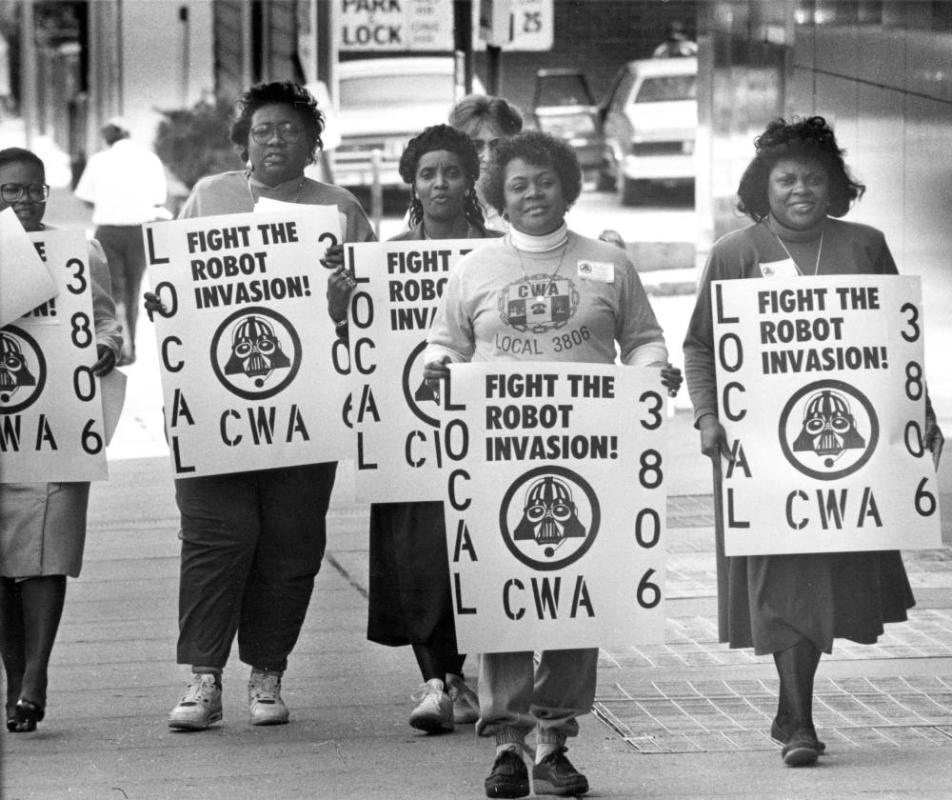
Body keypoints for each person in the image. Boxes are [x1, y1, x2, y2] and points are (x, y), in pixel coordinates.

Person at [423, 131, 681, 798]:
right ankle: (507, 742)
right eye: (518, 185)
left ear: (566, 185)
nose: (533, 193)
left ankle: (554, 742)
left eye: (544, 181)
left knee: (576, 595)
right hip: (495, 459)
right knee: (506, 595)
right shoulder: (475, 266)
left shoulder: (609, 263)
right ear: (498, 198)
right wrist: (435, 374)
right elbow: (443, 343)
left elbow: (644, 339)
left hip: (590, 455)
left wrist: (655, 376)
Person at [682, 115, 944, 767]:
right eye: (787, 179)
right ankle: (800, 719)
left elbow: (896, 342)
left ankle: (792, 702)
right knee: (781, 581)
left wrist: (923, 414)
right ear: (762, 187)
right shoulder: (735, 252)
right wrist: (707, 417)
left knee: (825, 580)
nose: (801, 189)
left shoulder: (865, 245)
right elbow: (699, 344)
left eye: (814, 179)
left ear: (836, 187)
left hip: (846, 456)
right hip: (759, 452)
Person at [146, 81, 375, 732]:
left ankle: (268, 672)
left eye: (291, 130)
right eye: (263, 130)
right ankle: (204, 679)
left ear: (314, 143)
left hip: (308, 406)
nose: (276, 140)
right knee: (217, 538)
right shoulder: (208, 197)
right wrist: (160, 302)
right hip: (218, 406)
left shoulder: (339, 209)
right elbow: (177, 291)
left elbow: (373, 311)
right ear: (243, 142)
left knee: (291, 541)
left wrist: (343, 298)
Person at [329, 124, 498, 734]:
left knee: (478, 551)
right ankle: (436, 680)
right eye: (428, 173)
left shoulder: (502, 252)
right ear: (412, 183)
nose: (440, 183)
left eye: (451, 172)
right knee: (421, 554)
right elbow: (360, 351)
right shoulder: (382, 261)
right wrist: (342, 309)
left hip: (485, 433)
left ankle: (464, 677)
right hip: (410, 435)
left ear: (470, 179)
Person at [0, 147, 122, 732]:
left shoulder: (79, 251)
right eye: (11, 191)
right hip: (6, 427)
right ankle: (12, 675)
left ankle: (35, 677)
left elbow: (106, 319)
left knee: (46, 554)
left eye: (34, 190)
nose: (24, 200)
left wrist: (105, 346)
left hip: (57, 430)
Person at [74, 116, 168, 366]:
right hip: (139, 231)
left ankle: (116, 348)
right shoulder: (149, 159)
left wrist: (109, 201)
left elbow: (84, 196)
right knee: (134, 289)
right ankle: (131, 348)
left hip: (108, 231)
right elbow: (160, 199)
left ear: (107, 137)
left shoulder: (98, 160)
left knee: (111, 291)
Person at [448, 94, 523, 232]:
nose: (488, 157)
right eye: (476, 146)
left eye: (497, 145)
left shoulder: (529, 204)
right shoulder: (435, 207)